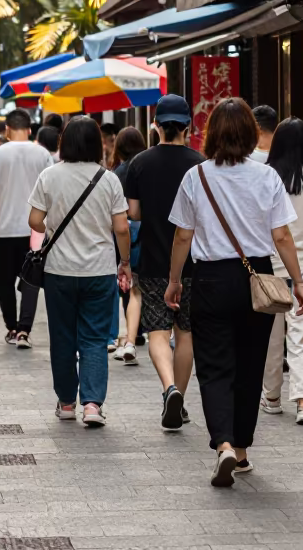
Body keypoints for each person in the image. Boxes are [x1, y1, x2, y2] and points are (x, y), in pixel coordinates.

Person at [166, 98, 303, 487]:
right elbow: (281, 235)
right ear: (250, 133)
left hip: (211, 278)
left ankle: (223, 444)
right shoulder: (267, 177)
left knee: (213, 368)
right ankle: (242, 451)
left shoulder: (196, 176)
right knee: (249, 366)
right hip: (256, 280)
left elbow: (183, 235)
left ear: (211, 134)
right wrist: (297, 281)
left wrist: (175, 280)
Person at [28, 116, 132, 428]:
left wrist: (53, 230)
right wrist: (124, 262)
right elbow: (122, 228)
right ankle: (91, 405)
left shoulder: (49, 175)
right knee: (94, 338)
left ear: (65, 142)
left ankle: (65, 403)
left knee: (62, 338)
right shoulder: (109, 179)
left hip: (59, 271)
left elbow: (35, 220)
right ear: (96, 143)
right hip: (99, 271)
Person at [124, 94, 204, 431]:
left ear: (155, 125)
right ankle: (180, 398)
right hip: (193, 263)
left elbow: (134, 213)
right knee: (185, 333)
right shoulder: (200, 163)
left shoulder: (139, 163)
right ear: (189, 126)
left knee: (157, 331)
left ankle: (168, 387)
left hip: (155, 260)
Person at [260, 118, 303, 425]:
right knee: (301, 337)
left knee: (270, 339)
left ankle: (271, 397)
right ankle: (302, 402)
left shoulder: (265, 180)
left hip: (270, 269)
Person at [0, 109, 51, 346]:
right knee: (31, 280)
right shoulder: (43, 154)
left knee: (5, 281)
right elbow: (51, 190)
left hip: (5, 228)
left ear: (7, 129)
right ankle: (24, 331)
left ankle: (11, 327)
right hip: (36, 229)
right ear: (29, 129)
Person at [110, 127, 146, 361]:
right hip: (146, 229)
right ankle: (140, 330)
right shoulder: (147, 166)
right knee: (141, 283)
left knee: (127, 281)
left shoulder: (117, 173)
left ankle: (132, 332)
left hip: (123, 229)